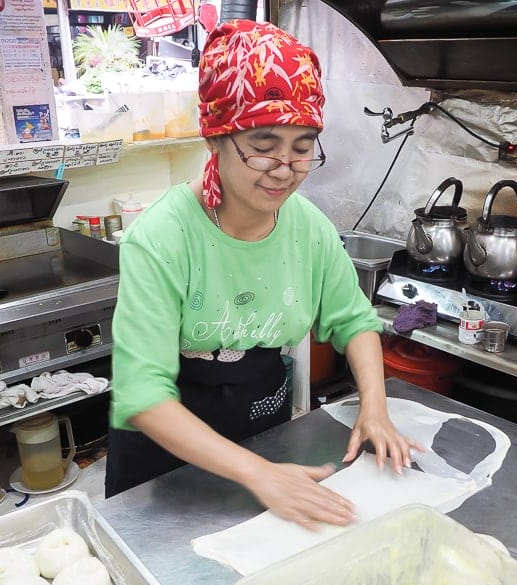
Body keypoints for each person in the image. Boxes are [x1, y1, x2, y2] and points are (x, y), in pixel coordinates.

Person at [106, 20, 421, 528]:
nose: (284, 167)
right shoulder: (163, 239)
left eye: (302, 147)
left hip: (264, 439)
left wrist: (375, 408)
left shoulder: (309, 229)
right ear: (216, 137)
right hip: (161, 467)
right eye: (263, 143)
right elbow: (143, 395)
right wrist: (259, 474)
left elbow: (354, 321)